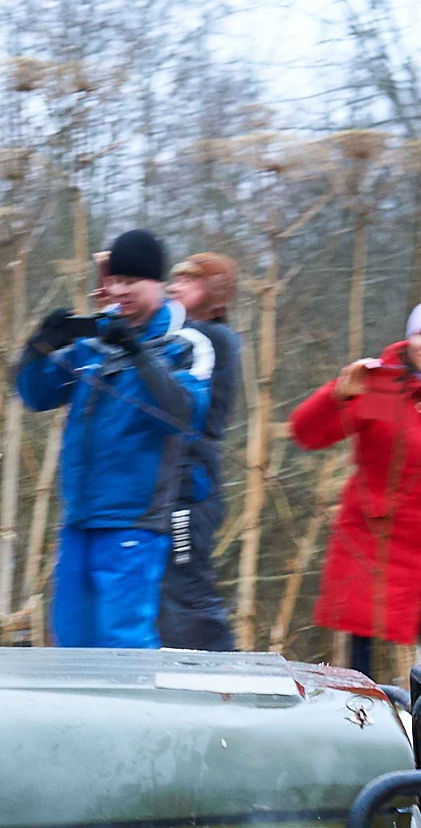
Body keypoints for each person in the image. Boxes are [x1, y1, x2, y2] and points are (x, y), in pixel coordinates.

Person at [286, 292, 421, 693]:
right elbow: (305, 433)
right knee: (359, 673)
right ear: (410, 336)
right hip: (372, 548)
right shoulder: (380, 386)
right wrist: (341, 393)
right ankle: (357, 740)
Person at [14, 227, 214, 648]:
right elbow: (34, 395)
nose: (119, 291)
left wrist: (139, 354)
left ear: (156, 285)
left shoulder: (184, 345)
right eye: (115, 281)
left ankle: (147, 715)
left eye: (131, 282)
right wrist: (37, 348)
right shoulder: (94, 345)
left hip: (136, 524)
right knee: (71, 641)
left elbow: (183, 414)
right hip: (79, 521)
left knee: (123, 644)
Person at [161, 252, 243, 650]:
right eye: (173, 279)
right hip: (174, 484)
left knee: (187, 588)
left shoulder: (210, 338)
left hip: (190, 489)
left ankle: (231, 677)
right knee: (165, 593)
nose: (174, 287)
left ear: (213, 294)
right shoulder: (187, 336)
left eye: (187, 282)